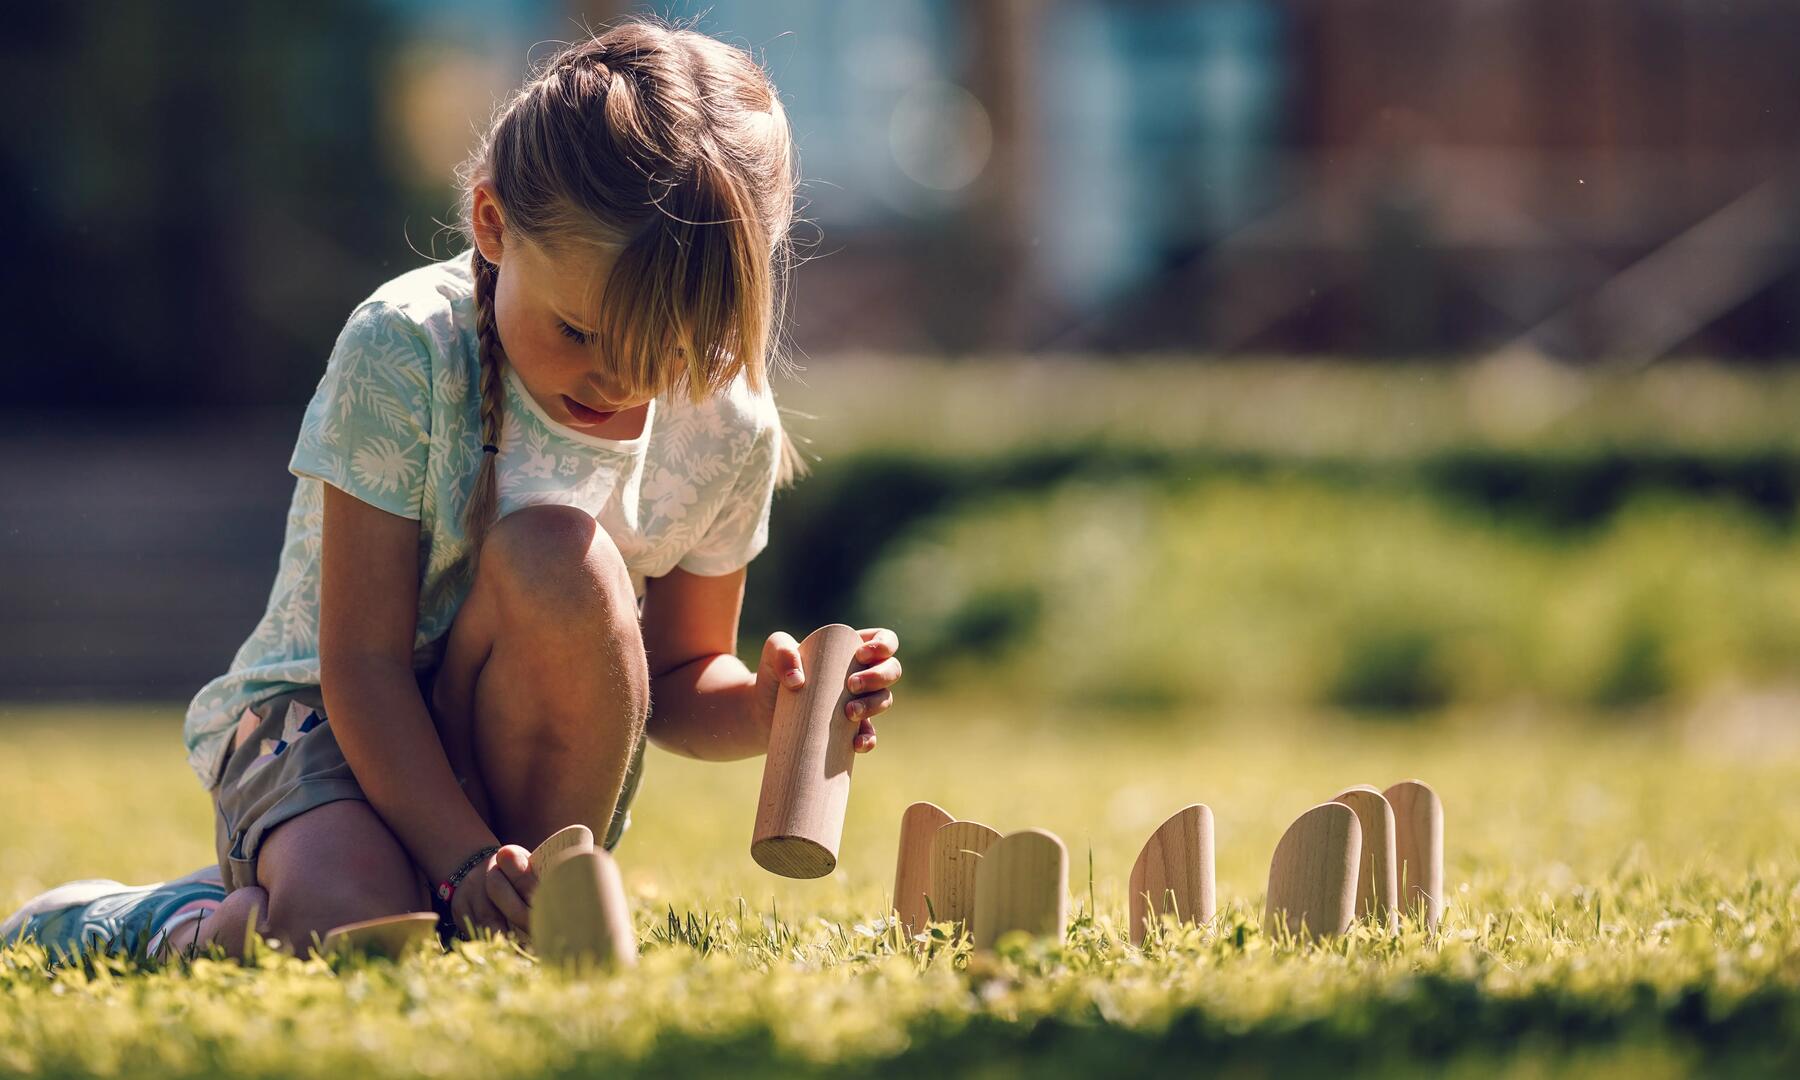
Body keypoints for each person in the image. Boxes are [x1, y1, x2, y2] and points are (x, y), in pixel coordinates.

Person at [2, 16, 902, 968]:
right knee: (358, 932)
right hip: (326, 726)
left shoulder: (726, 421)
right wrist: (460, 854)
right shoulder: (405, 348)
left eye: (669, 351)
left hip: (507, 752)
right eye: (581, 333)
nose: (619, 385)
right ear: (492, 224)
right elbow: (361, 666)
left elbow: (678, 682)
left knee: (561, 560)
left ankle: (513, 901)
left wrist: (766, 711)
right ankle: (158, 921)